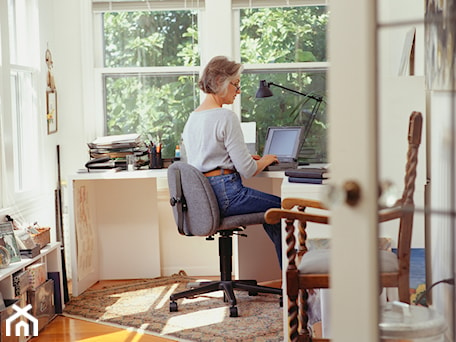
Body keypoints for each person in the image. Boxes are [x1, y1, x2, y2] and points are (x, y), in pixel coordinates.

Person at [181, 55, 282, 268]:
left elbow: (208, 159)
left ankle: (288, 277)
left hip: (204, 197)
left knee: (275, 211)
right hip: (227, 195)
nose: (239, 91)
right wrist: (264, 160)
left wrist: (245, 158)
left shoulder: (193, 118)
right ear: (220, 82)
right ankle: (291, 281)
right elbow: (248, 170)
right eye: (236, 85)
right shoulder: (225, 117)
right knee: (282, 210)